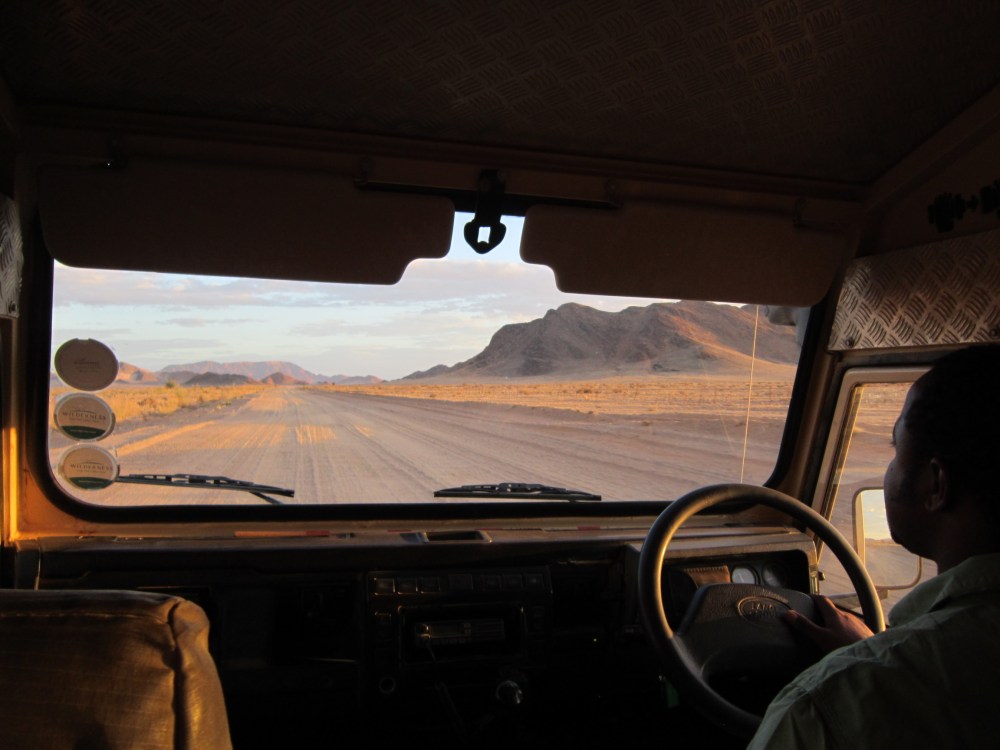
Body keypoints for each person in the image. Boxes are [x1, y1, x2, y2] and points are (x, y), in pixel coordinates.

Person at [748, 344, 1000, 749]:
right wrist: (873, 648)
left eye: (896, 450)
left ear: (935, 485)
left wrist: (873, 662)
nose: (890, 469)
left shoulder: (827, 707)